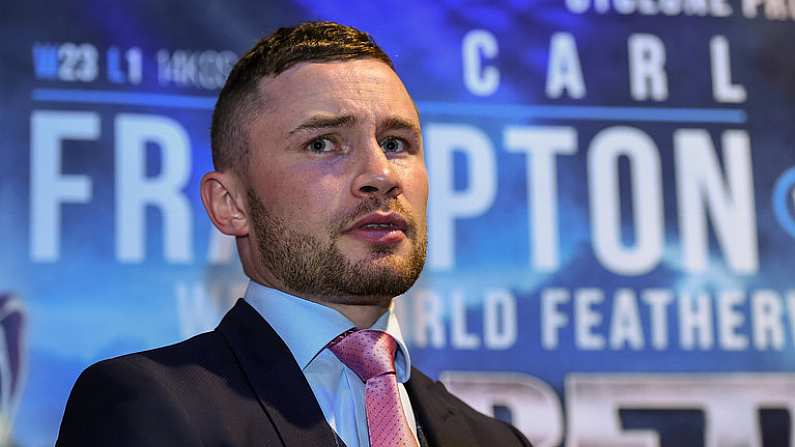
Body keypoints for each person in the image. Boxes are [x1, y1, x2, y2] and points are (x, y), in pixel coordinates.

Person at [57, 21, 532, 447]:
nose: (381, 173)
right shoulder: (146, 408)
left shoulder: (495, 439)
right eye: (322, 143)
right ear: (231, 204)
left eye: (395, 143)